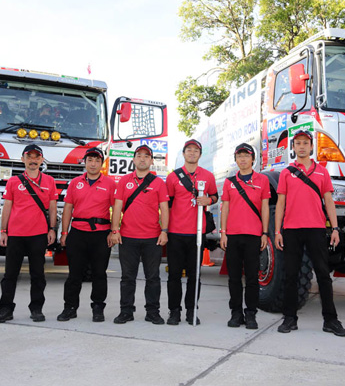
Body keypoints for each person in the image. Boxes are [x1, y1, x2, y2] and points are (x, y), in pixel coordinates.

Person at [274, 130, 345, 336]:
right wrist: (277, 231)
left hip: (316, 229)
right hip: (291, 230)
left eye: (305, 143)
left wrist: (334, 228)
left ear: (311, 146)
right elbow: (281, 203)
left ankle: (331, 320)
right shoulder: (286, 172)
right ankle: (290, 319)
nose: (301, 146)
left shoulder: (322, 172)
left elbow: (329, 202)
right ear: (294, 147)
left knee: (324, 275)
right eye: (298, 143)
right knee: (291, 275)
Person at [0, 144, 58, 323]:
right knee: (10, 275)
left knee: (38, 275)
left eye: (37, 157)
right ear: (23, 159)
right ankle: (5, 309)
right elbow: (7, 207)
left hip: (38, 235)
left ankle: (36, 308)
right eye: (29, 157)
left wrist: (52, 228)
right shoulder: (14, 181)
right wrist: (3, 231)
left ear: (42, 160)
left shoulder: (49, 181)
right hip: (16, 235)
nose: (33, 160)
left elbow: (52, 207)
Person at [109, 144, 169, 325]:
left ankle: (153, 312)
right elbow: (117, 207)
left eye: (146, 156)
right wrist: (115, 230)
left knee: (153, 278)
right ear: (134, 160)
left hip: (152, 238)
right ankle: (126, 311)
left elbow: (164, 209)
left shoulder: (158, 183)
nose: (142, 159)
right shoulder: (124, 181)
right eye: (139, 156)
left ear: (151, 161)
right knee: (127, 277)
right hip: (128, 236)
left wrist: (164, 231)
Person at [57, 147, 115, 322]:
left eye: (97, 161)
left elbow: (116, 209)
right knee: (74, 273)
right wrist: (64, 232)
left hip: (101, 234)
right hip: (78, 233)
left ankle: (98, 308)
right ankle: (70, 308)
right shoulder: (75, 183)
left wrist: (114, 231)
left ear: (102, 164)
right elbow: (68, 208)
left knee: (99, 273)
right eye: (90, 160)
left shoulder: (110, 184)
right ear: (85, 162)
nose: (93, 164)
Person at [165, 139, 218, 325]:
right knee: (174, 275)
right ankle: (174, 311)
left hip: (197, 233)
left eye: (196, 150)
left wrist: (208, 201)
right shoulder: (173, 177)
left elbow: (214, 196)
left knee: (195, 275)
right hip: (176, 232)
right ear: (184, 153)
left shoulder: (208, 176)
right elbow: (167, 204)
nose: (192, 153)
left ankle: (190, 311)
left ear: (200, 154)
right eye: (189, 150)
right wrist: (163, 229)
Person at [220, 143, 270, 329]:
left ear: (253, 159)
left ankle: (250, 314)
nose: (242, 159)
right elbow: (225, 207)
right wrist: (223, 233)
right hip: (232, 235)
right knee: (233, 277)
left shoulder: (262, 180)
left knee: (251, 278)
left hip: (253, 235)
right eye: (239, 156)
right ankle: (236, 313)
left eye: (246, 156)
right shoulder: (229, 182)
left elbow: (265, 207)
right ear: (236, 159)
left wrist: (265, 233)